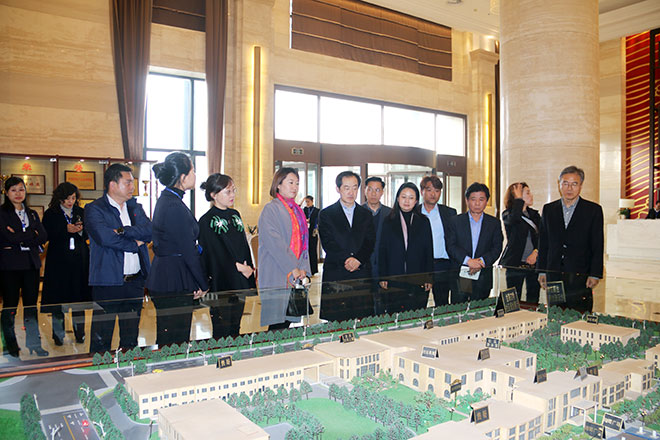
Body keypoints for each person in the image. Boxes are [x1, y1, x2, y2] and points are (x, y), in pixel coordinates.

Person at [86, 163, 152, 354]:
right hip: (108, 282)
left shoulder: (135, 207)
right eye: (128, 182)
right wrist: (135, 244)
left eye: (133, 182)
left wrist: (123, 231)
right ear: (112, 184)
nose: (132, 186)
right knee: (102, 335)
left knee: (130, 336)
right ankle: (100, 369)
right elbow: (105, 238)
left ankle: (128, 367)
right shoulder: (95, 209)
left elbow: (149, 231)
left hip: (135, 282)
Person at [147, 152, 208, 347]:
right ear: (182, 177)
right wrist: (203, 283)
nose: (195, 175)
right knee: (174, 338)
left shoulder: (170, 200)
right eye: (192, 171)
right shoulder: (173, 205)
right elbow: (188, 250)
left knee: (174, 336)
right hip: (172, 278)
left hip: (170, 275)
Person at [537, 166, 604, 313]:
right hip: (554, 273)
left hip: (580, 275)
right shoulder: (549, 209)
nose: (569, 188)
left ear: (581, 186)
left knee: (580, 315)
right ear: (559, 185)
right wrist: (542, 271)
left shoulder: (593, 210)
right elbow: (544, 243)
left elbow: (597, 245)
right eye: (565, 183)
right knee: (555, 313)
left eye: (574, 184)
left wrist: (595, 274)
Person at [198, 174, 254, 339]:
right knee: (222, 327)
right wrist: (239, 267)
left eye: (233, 190)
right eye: (227, 191)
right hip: (221, 280)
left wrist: (248, 267)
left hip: (239, 279)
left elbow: (243, 245)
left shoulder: (235, 215)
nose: (232, 195)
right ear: (214, 195)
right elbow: (214, 253)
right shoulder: (206, 220)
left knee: (236, 325)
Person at [0, 177, 48, 358]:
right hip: (10, 267)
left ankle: (34, 344)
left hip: (31, 264)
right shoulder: (2, 213)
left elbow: (43, 236)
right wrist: (30, 235)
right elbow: (7, 237)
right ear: (6, 193)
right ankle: (10, 345)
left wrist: (20, 236)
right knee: (10, 307)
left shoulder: (32, 213)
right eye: (13, 190)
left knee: (31, 306)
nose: (18, 193)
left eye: (21, 189)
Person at [257, 168, 311, 328]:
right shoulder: (271, 209)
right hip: (277, 270)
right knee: (276, 322)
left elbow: (304, 244)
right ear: (278, 185)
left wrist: (303, 268)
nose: (295, 187)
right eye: (290, 182)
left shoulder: (298, 211)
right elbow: (275, 243)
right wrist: (292, 267)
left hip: (295, 272)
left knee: (288, 320)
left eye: (297, 183)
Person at [318, 171, 375, 321]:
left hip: (360, 272)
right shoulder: (326, 214)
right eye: (346, 188)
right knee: (337, 321)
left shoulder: (366, 214)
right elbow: (328, 243)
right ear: (338, 189)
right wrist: (347, 260)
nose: (351, 192)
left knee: (362, 320)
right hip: (337, 272)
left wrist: (358, 260)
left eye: (355, 188)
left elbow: (370, 242)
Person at [42, 182, 91, 346]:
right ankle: (58, 334)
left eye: (73, 198)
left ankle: (80, 333)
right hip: (58, 262)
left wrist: (81, 230)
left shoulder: (81, 212)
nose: (70, 202)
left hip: (79, 261)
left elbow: (89, 232)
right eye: (67, 198)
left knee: (79, 299)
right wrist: (65, 229)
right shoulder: (51, 213)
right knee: (58, 301)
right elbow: (46, 234)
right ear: (60, 198)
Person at [378, 182, 433, 313]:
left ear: (416, 201)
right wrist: (383, 276)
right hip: (394, 277)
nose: (407, 201)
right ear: (398, 198)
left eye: (411, 197)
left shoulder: (423, 221)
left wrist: (429, 277)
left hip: (418, 277)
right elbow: (382, 250)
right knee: (395, 314)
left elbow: (428, 250)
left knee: (416, 313)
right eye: (403, 197)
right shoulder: (388, 221)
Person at [447, 182, 503, 302]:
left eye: (481, 199)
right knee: (460, 309)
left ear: (486, 201)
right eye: (473, 199)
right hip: (461, 274)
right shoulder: (455, 221)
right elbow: (451, 246)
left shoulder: (494, 223)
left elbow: (497, 247)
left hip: (483, 275)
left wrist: (480, 262)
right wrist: (468, 261)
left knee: (479, 309)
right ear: (467, 200)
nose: (477, 203)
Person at [419, 175, 458, 306]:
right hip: (421, 266)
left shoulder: (450, 213)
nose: (433, 194)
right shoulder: (414, 212)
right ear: (422, 191)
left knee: (442, 303)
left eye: (437, 190)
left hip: (443, 265)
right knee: (419, 304)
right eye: (429, 190)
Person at [501, 182, 541, 303]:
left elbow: (542, 237)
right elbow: (515, 220)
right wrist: (518, 200)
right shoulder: (508, 214)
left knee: (533, 298)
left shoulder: (534, 215)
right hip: (515, 263)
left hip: (533, 263)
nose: (531, 195)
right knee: (513, 299)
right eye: (527, 193)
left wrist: (536, 252)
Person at [302, 196, 320, 275]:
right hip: (305, 233)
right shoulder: (304, 210)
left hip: (313, 233)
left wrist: (311, 221)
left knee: (313, 250)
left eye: (308, 201)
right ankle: (307, 269)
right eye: (306, 202)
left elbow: (318, 221)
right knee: (306, 251)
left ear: (312, 201)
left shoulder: (317, 210)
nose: (307, 203)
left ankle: (314, 269)